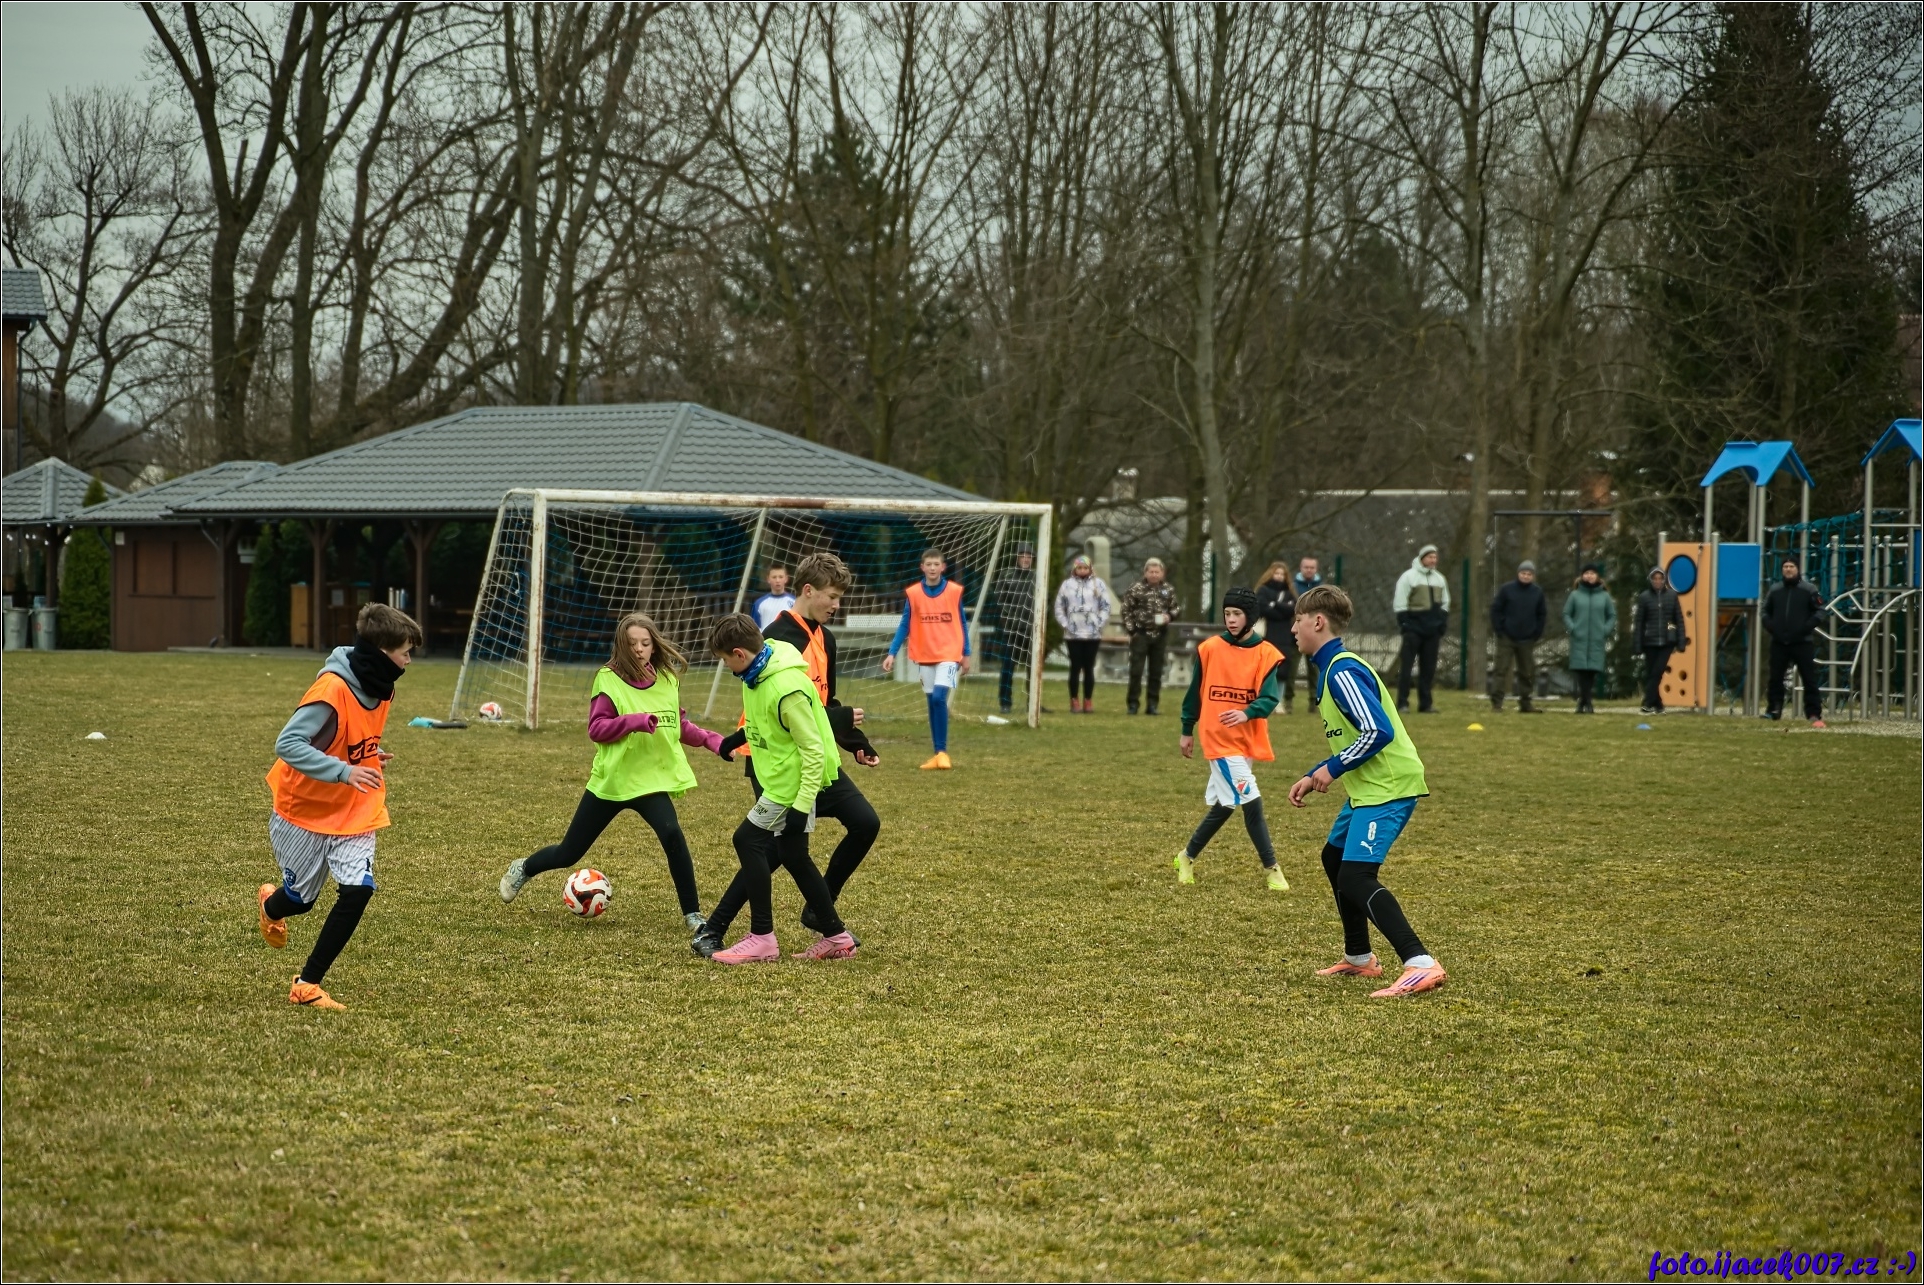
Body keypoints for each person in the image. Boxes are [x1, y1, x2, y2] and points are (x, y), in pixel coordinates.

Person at [696, 553, 882, 957]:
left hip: (813, 760)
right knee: (774, 848)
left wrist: (855, 740)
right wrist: (736, 738)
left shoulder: (825, 639)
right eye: (832, 596)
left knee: (861, 824)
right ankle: (719, 928)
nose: (837, 605)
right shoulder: (775, 638)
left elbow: (821, 706)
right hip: (776, 760)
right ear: (808, 590)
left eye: (840, 598)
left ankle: (819, 915)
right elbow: (776, 712)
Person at [498, 613, 728, 926]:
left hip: (649, 780)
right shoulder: (607, 678)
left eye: (645, 643)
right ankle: (523, 868)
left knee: (673, 835)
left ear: (654, 645)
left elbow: (677, 724)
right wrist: (634, 721)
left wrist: (714, 741)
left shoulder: (667, 679)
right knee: (569, 853)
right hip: (613, 780)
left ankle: (693, 914)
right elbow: (597, 729)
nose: (639, 649)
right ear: (621, 645)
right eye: (632, 643)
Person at [255, 602, 423, 1010]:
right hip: (303, 810)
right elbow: (288, 744)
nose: (409, 660)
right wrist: (344, 770)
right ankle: (270, 906)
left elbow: (344, 735)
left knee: (358, 891)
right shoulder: (331, 689)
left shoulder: (382, 685)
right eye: (405, 652)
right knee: (300, 901)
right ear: (382, 653)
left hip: (354, 810)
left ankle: (307, 984)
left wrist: (366, 753)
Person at [1287, 584, 1446, 998]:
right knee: (1334, 856)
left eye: (1297, 621)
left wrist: (1333, 769)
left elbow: (1377, 730)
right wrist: (1314, 773)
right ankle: (1359, 958)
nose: (1293, 629)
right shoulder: (1332, 669)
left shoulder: (1342, 670)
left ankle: (1420, 962)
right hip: (1369, 787)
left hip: (1388, 786)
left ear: (1317, 622)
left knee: (1356, 876)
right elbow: (1351, 735)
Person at [704, 613, 856, 964]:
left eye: (725, 660)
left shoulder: (787, 689)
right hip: (781, 780)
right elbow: (765, 720)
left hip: (791, 785)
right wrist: (738, 738)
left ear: (739, 654)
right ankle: (837, 937)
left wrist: (802, 806)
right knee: (793, 855)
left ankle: (762, 937)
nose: (726, 667)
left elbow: (814, 751)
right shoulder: (757, 671)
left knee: (747, 840)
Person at [1175, 585, 1289, 892]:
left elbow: (1269, 698)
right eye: (1227, 613)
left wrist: (1246, 713)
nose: (1231, 619)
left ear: (1250, 617)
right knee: (1251, 800)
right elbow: (1194, 693)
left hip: (1245, 739)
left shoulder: (1266, 654)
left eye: (1237, 613)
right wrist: (1187, 729)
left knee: (1226, 805)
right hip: (1218, 738)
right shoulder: (1210, 648)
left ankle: (1186, 856)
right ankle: (1272, 869)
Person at [882, 548, 971, 769]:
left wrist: (966, 653)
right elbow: (905, 624)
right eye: (928, 564)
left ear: (943, 567)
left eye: (936, 564)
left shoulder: (953, 591)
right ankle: (937, 753)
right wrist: (892, 652)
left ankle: (943, 752)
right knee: (931, 701)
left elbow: (962, 622)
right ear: (922, 567)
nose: (932, 568)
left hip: (949, 654)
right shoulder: (914, 594)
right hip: (925, 654)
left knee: (939, 697)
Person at [1763, 556, 1828, 727]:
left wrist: (1807, 626)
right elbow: (1764, 610)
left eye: (1791, 566)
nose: (1788, 569)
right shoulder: (1775, 590)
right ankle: (1774, 709)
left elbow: (1820, 610)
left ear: (1797, 569)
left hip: (1802, 642)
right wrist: (1770, 625)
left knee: (1809, 678)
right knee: (1775, 678)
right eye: (1785, 566)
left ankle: (1813, 712)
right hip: (1779, 642)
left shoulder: (1809, 589)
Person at [1392, 544, 1450, 713]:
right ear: (1422, 558)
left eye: (1435, 557)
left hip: (1432, 630)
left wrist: (1441, 624)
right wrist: (1405, 623)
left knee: (1428, 669)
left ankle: (1425, 704)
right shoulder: (1408, 577)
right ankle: (1402, 703)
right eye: (1430, 557)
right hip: (1413, 628)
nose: (1433, 560)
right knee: (1406, 667)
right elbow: (1400, 601)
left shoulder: (1440, 579)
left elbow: (1445, 602)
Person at [1054, 554, 1111, 713]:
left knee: (1089, 667)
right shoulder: (1067, 585)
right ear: (1075, 569)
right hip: (1073, 634)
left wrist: (1098, 623)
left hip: (1092, 634)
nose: (1082, 570)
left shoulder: (1098, 584)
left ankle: (1088, 700)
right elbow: (1059, 607)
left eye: (1085, 567)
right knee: (1075, 667)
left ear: (1090, 568)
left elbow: (1105, 606)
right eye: (1079, 567)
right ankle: (1074, 700)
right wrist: (1066, 624)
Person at [1121, 557, 1179, 715]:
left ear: (1162, 573)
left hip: (1160, 635)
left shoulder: (1168, 589)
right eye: (1151, 572)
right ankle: (1133, 704)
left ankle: (1152, 705)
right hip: (1140, 634)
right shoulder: (1136, 588)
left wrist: (1170, 616)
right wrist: (1132, 631)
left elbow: (1175, 608)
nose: (1154, 575)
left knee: (1156, 672)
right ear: (1145, 573)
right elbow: (1126, 610)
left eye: (1157, 572)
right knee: (1136, 671)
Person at [1489, 560, 1548, 713]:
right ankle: (1497, 703)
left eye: (1529, 574)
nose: (1526, 576)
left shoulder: (1537, 593)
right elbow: (1496, 609)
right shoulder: (1506, 589)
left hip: (1527, 638)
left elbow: (1541, 614)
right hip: (1507, 637)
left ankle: (1526, 703)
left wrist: (1536, 632)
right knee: (1501, 670)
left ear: (1533, 576)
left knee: (1527, 672)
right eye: (1523, 573)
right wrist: (1499, 629)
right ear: (1518, 574)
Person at [1562, 563, 1617, 715]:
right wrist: (1573, 628)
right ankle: (1587, 702)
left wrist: (1605, 630)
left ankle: (1583, 702)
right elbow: (1566, 613)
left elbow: (1612, 615)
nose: (1589, 576)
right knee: (1581, 671)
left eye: (1592, 573)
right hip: (1579, 639)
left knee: (1592, 671)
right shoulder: (1575, 595)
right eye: (1587, 573)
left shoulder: (1605, 596)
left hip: (1596, 639)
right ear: (1582, 576)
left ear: (1597, 576)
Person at [1631, 566, 1687, 715]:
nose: (1657, 581)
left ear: (1664, 580)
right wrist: (1637, 644)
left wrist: (1681, 641)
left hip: (1667, 641)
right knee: (1652, 673)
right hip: (1649, 641)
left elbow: (1679, 619)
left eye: (1660, 578)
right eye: (1655, 579)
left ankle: (1647, 703)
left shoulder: (1672, 596)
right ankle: (1658, 704)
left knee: (1657, 672)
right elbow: (1639, 623)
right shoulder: (1644, 597)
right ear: (1650, 580)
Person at [992, 544, 1037, 714]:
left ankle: (1033, 702)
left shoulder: (1036, 576)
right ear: (1017, 557)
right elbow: (1000, 600)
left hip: (1031, 629)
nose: (1026, 559)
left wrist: (1036, 619)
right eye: (1023, 555)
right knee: (1007, 666)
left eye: (1029, 556)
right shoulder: (1006, 575)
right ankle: (1005, 702)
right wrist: (1013, 619)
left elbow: (1045, 600)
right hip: (1011, 629)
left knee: (1034, 667)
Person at [1254, 560, 1298, 715]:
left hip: (1284, 636)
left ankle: (1278, 702)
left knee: (1282, 670)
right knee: (1266, 669)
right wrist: (1281, 609)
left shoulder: (1289, 592)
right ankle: (1263, 699)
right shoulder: (1263, 590)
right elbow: (1262, 607)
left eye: (1282, 574)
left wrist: (1274, 605)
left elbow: (1292, 609)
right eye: (1277, 573)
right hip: (1267, 634)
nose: (1279, 576)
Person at [1283, 556, 1324, 710]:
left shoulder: (1321, 588)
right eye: (1306, 567)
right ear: (1301, 568)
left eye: (1312, 568)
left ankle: (1314, 700)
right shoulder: (1292, 587)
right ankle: (1288, 700)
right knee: (1291, 669)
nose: (1309, 570)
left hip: (1315, 634)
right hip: (1295, 634)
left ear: (1316, 569)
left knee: (1314, 670)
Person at [750, 566, 795, 630]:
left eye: (781, 577)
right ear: (768, 579)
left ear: (786, 579)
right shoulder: (759, 604)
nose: (777, 580)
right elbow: (754, 628)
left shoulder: (794, 602)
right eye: (774, 577)